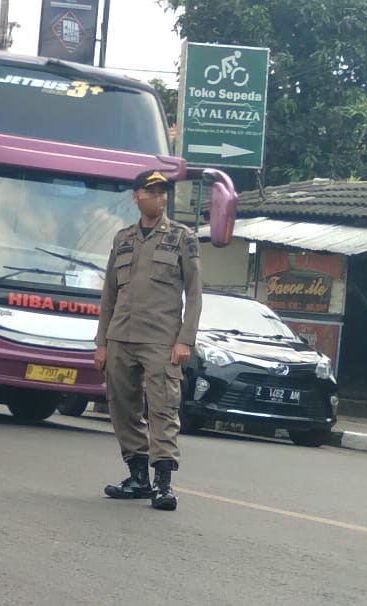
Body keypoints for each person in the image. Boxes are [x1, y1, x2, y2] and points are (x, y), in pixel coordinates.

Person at [94, 169, 202, 511]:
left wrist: (185, 339)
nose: (160, 197)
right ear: (136, 196)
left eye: (163, 192)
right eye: (152, 191)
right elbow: (109, 294)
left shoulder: (183, 238)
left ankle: (163, 484)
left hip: (161, 340)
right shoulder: (122, 239)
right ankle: (137, 476)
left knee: (163, 409)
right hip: (121, 337)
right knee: (122, 407)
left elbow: (194, 294)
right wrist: (102, 343)